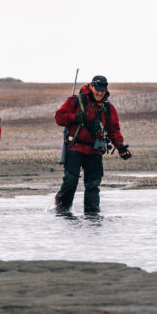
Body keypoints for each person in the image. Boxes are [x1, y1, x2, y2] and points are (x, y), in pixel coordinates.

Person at [54, 74, 131, 214]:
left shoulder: (108, 108)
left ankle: (92, 214)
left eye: (102, 90)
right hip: (75, 147)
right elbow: (59, 118)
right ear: (91, 86)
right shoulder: (75, 101)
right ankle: (62, 209)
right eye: (97, 89)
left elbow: (114, 130)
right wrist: (74, 117)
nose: (100, 93)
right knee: (71, 181)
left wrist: (121, 147)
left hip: (95, 150)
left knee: (93, 185)